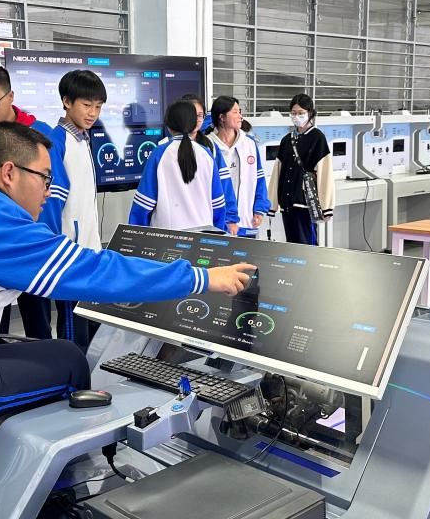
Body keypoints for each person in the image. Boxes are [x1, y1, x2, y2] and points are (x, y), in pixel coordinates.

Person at [0, 121, 254, 448]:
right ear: (9, 173)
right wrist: (204, 277)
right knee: (69, 362)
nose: (49, 191)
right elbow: (101, 273)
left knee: (33, 350)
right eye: (44, 177)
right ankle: (66, 489)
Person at [0, 62, 53, 338]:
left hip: (30, 237)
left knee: (37, 319)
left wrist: (47, 234)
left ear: (10, 96)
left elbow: (51, 188)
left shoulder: (38, 133)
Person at [39, 70, 106, 349]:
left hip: (89, 252)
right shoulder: (57, 142)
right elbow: (52, 202)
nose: (93, 113)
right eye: (87, 105)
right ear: (67, 102)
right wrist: (56, 249)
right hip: (70, 255)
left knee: (91, 326)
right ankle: (72, 376)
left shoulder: (83, 139)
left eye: (98, 106)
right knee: (72, 330)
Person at [129, 100, 232, 232]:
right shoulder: (206, 154)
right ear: (193, 123)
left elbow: (144, 204)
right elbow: (218, 204)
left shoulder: (159, 154)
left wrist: (135, 235)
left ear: (168, 125)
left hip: (167, 236)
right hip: (204, 235)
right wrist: (219, 233)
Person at [268, 94, 334, 245]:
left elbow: (325, 174)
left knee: (307, 247)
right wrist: (272, 203)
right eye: (293, 113)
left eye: (301, 113)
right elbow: (277, 172)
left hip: (306, 203)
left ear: (310, 113)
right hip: (287, 204)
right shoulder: (286, 140)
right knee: (292, 246)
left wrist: (327, 207)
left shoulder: (317, 138)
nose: (296, 116)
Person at [206, 96, 268, 237]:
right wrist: (228, 219)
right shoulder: (208, 146)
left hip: (247, 220)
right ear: (222, 117)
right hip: (218, 223)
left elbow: (259, 178)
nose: (240, 116)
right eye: (235, 112)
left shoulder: (249, 143)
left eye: (240, 112)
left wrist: (259, 208)